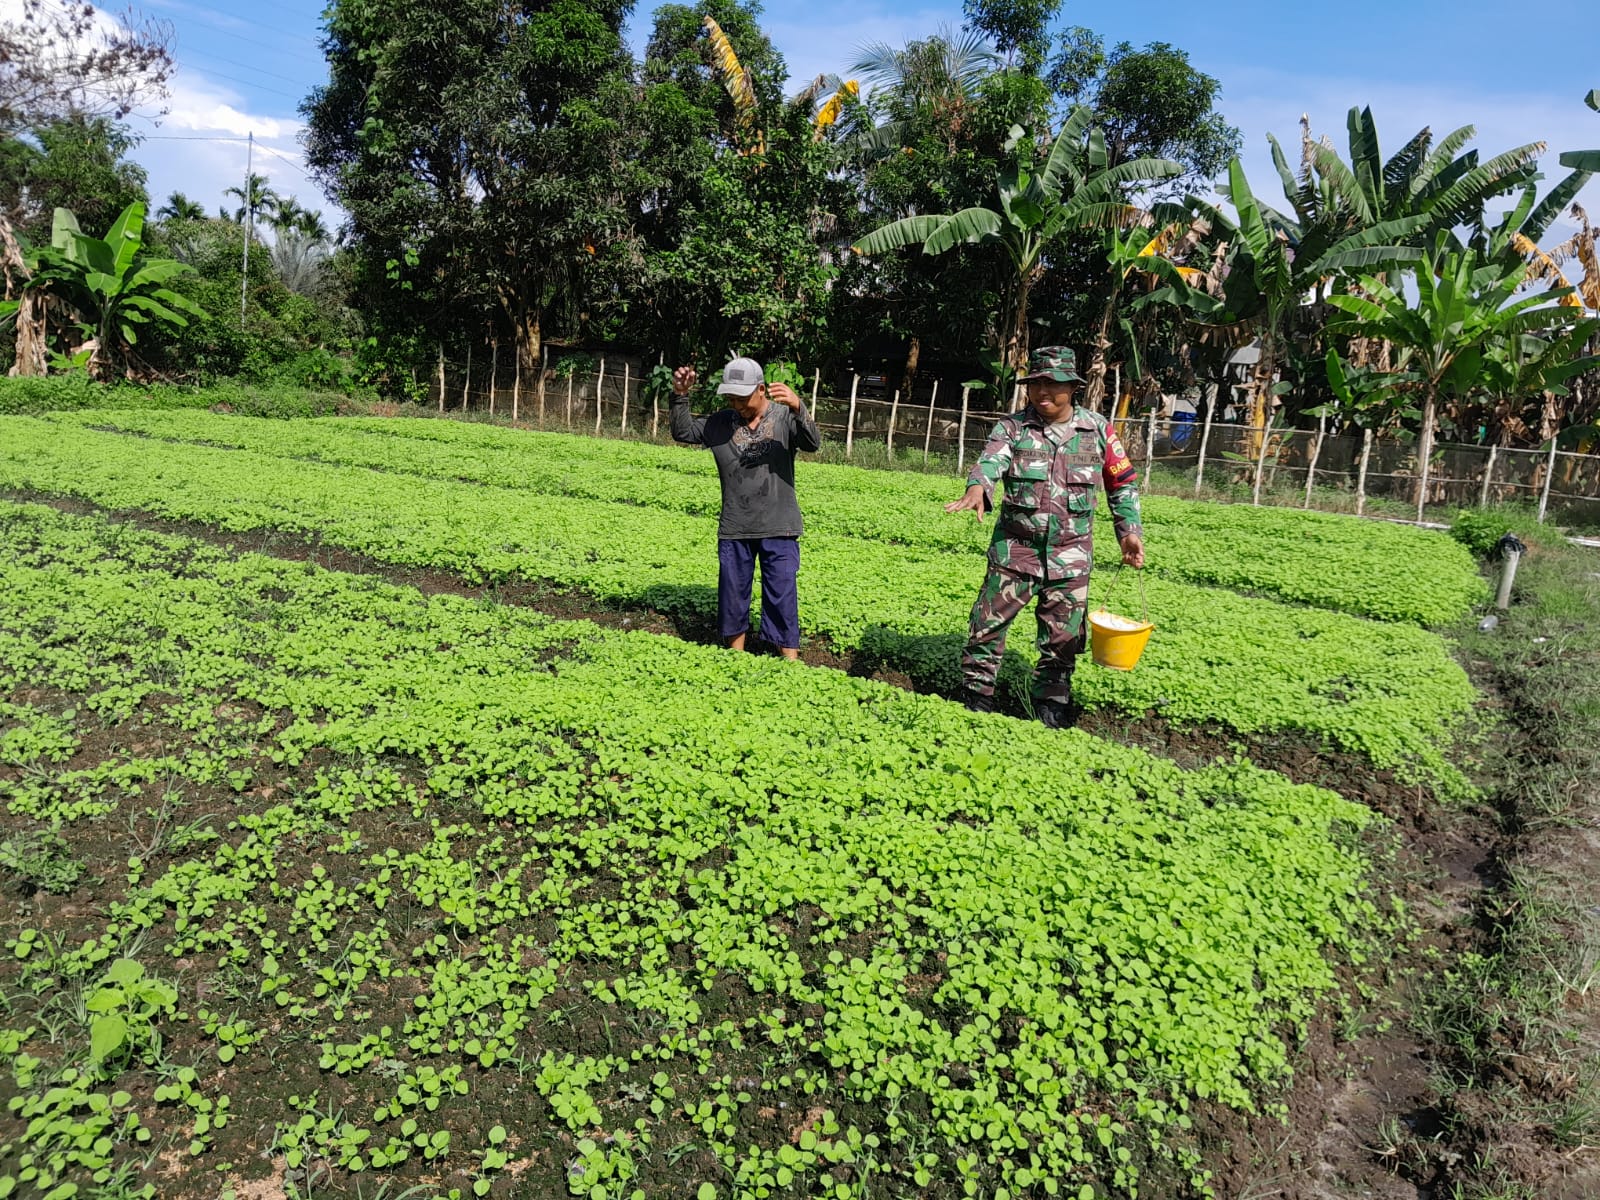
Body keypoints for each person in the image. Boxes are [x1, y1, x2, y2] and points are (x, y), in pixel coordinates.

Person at [945, 346, 1145, 726]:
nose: (1043, 393)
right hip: (1015, 553)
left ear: (1073, 388)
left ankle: (1051, 706)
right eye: (1036, 385)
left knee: (1062, 641)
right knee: (986, 628)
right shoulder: (1013, 427)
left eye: (1053, 385)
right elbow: (990, 461)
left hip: (1070, 560)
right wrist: (977, 488)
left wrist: (1128, 531)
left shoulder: (1098, 430)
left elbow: (1121, 483)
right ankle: (975, 698)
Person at [670, 357, 823, 660]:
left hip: (779, 524)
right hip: (735, 525)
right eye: (731, 398)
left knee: (781, 593)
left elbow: (812, 443)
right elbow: (683, 432)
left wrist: (798, 407)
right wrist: (680, 395)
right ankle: (736, 658)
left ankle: (790, 662)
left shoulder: (783, 417)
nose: (737, 404)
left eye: (742, 398)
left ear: (762, 389)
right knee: (733, 594)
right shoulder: (720, 423)